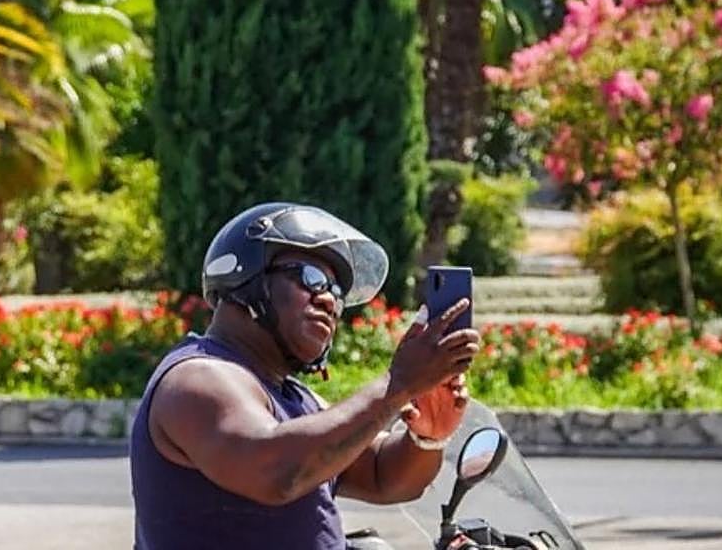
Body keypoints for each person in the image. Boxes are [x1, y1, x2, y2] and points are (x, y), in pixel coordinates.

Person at [130, 202, 482, 550]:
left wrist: (427, 436)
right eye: (312, 279)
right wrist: (399, 383)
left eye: (338, 293)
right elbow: (275, 472)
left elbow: (382, 477)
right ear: (249, 276)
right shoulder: (198, 379)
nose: (329, 301)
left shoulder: (295, 397)